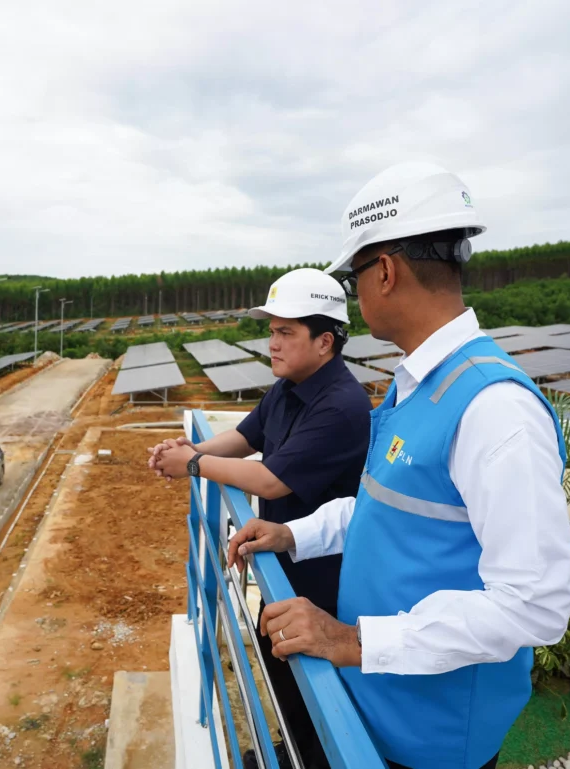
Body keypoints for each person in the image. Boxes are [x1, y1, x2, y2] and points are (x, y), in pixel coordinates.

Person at [227, 162, 570, 769]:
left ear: (384, 270)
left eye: (356, 274)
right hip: (378, 702)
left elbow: (534, 603)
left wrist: (351, 638)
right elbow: (385, 509)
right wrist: (293, 533)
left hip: (430, 737)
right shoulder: (414, 386)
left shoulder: (494, 410)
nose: (355, 296)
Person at [148, 268, 372, 769]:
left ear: (325, 342)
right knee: (284, 682)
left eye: (285, 332)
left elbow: (271, 480)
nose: (271, 342)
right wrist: (193, 448)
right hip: (282, 569)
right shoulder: (290, 386)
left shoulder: (341, 405)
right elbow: (248, 437)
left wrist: (192, 464)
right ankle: (285, 755)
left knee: (318, 697)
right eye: (271, 330)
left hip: (324, 588)